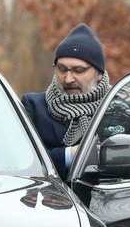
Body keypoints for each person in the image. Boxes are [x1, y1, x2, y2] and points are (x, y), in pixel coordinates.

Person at [22, 23, 112, 177]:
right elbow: (22, 161)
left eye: (79, 70)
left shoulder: (120, 109)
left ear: (99, 74)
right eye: (62, 69)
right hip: (49, 199)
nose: (68, 79)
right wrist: (70, 154)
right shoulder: (33, 107)